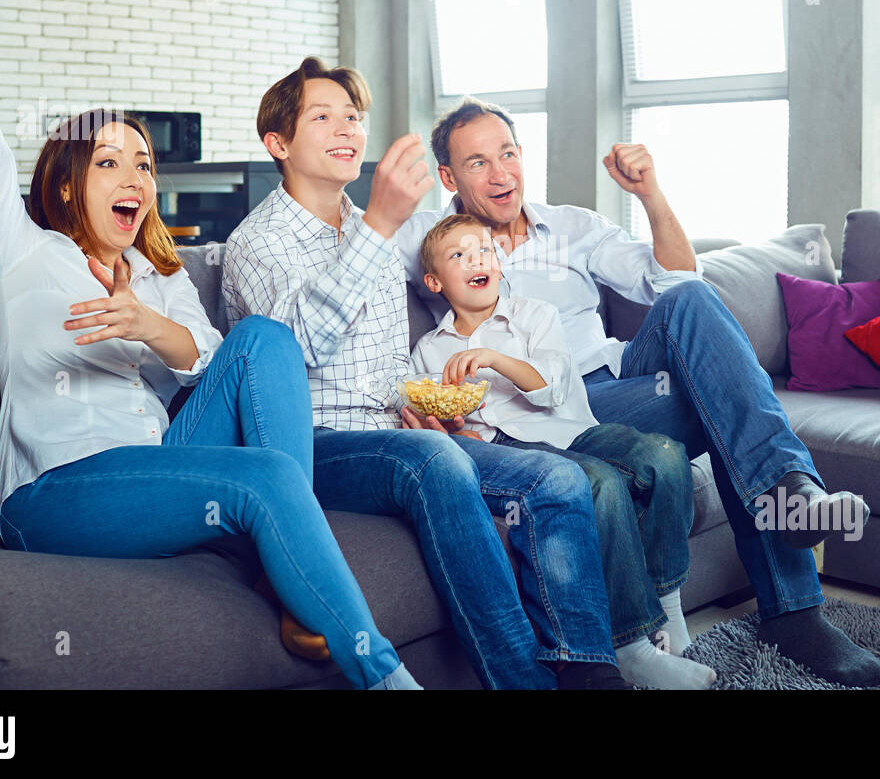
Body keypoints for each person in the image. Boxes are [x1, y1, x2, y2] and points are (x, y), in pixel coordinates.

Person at [0, 0, 418, 690]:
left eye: (144, 164)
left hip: (161, 465)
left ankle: (294, 565)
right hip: (57, 492)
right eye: (109, 162)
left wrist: (147, 325)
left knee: (262, 339)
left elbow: (208, 362)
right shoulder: (24, 249)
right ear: (65, 188)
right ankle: (383, 675)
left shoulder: (163, 275)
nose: (134, 176)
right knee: (262, 477)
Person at [396, 97, 880, 687]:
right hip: (554, 409)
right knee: (729, 413)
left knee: (691, 299)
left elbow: (677, 277)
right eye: (478, 163)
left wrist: (650, 195)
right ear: (448, 178)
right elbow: (354, 256)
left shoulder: (575, 226)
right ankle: (796, 604)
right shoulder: (430, 240)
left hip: (624, 381)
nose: (501, 173)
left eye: (507, 153)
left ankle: (790, 494)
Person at [221, 57, 625, 689]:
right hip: (310, 447)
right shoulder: (258, 242)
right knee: (438, 464)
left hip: (395, 432)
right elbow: (289, 351)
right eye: (321, 117)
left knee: (558, 477)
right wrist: (380, 221)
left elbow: (391, 360)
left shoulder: (369, 232)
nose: (346, 129)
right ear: (277, 144)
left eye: (352, 117)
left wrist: (423, 408)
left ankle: (590, 675)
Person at [411, 213, 718, 689]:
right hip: (509, 450)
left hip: (570, 428)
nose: (478, 260)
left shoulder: (534, 314)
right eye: (459, 255)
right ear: (434, 281)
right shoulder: (430, 351)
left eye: (485, 250)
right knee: (599, 482)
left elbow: (550, 387)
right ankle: (630, 644)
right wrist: (448, 426)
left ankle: (667, 602)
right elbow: (438, 414)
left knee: (663, 454)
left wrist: (494, 359)